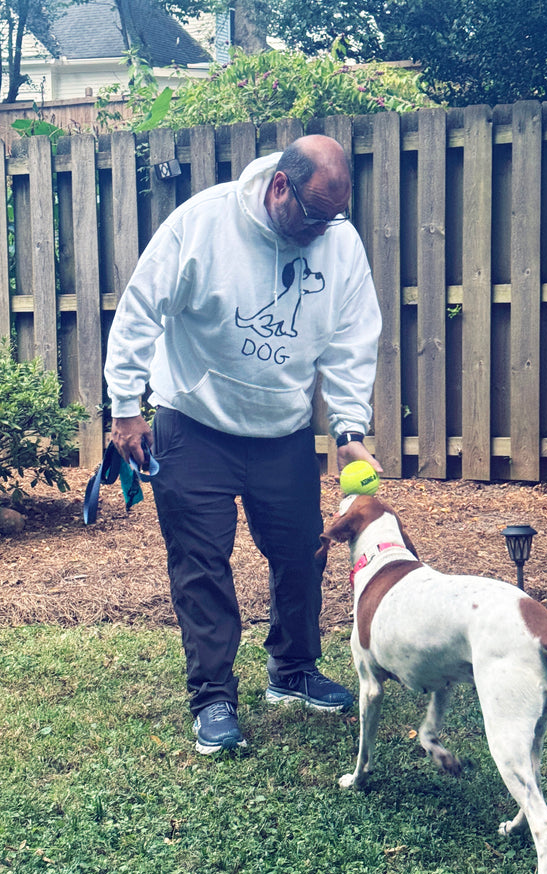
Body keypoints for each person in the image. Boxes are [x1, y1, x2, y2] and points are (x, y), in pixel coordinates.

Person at [104, 134, 383, 754]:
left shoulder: (338, 241)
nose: (321, 231)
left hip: (281, 428)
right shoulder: (203, 223)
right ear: (280, 186)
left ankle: (293, 670)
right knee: (202, 565)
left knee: (301, 554)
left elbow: (351, 343)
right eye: (313, 215)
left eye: (333, 217)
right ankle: (213, 699)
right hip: (194, 422)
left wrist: (348, 431)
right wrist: (126, 409)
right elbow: (139, 311)